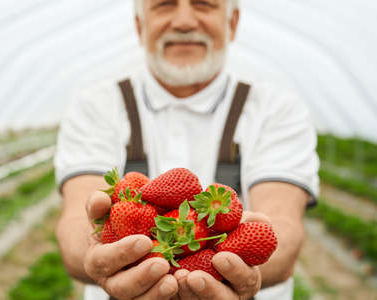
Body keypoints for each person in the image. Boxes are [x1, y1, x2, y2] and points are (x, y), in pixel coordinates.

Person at [54, 0, 319, 299]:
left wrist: (229, 269)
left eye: (204, 4)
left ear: (231, 24)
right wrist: (95, 256)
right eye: (164, 5)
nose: (183, 21)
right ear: (140, 26)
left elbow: (282, 224)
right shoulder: (96, 105)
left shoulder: (277, 109)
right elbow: (78, 218)